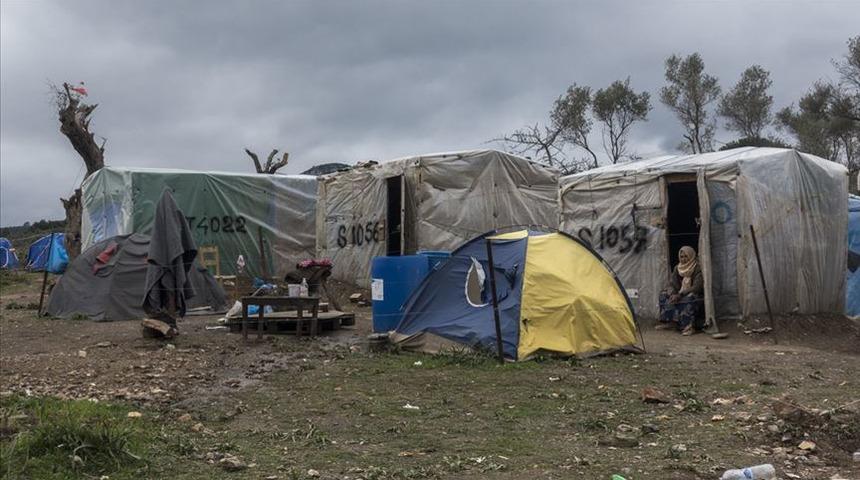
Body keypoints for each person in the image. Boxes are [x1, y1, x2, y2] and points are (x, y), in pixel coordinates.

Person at [657, 246, 704, 335]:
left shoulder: (697, 268)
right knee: (663, 295)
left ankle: (688, 326)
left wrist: (680, 294)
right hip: (679, 293)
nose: (683, 259)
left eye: (686, 256)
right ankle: (670, 322)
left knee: (689, 298)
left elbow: (697, 287)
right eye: (681, 257)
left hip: (694, 295)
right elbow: (672, 284)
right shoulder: (677, 268)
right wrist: (672, 293)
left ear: (691, 256)